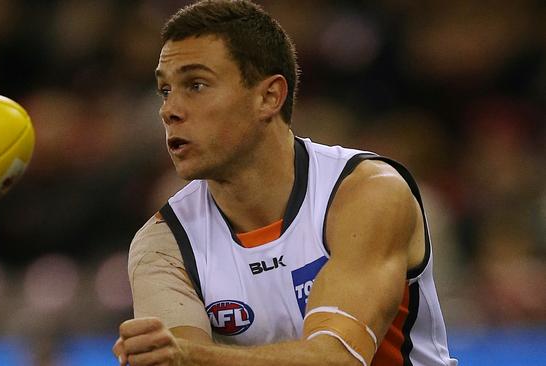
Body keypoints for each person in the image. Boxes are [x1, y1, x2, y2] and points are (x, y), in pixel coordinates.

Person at [114, 1, 458, 365]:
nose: (170, 110)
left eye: (196, 85)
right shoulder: (162, 243)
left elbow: (337, 359)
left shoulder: (366, 192)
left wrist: (189, 357)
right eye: (165, 90)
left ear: (269, 96)